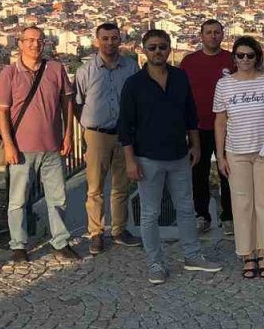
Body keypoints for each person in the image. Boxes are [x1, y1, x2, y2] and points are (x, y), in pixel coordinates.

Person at [119, 29, 224, 285]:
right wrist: (130, 160)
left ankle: (192, 255)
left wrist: (195, 145)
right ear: (144, 50)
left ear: (169, 49)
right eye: (153, 47)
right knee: (150, 213)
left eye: (162, 47)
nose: (158, 51)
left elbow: (190, 114)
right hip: (147, 157)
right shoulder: (134, 84)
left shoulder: (180, 77)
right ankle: (155, 262)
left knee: (186, 209)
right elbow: (125, 125)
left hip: (179, 155)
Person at [0, 25, 78, 263]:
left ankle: (60, 241)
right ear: (20, 43)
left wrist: (68, 135)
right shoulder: (9, 73)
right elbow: (2, 112)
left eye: (40, 40)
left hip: (52, 146)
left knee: (58, 197)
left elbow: (67, 104)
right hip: (21, 148)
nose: (35, 44)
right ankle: (18, 245)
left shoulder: (55, 69)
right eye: (30, 40)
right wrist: (9, 145)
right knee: (18, 200)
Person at [213, 36, 264, 279]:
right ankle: (247, 253)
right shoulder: (224, 85)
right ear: (234, 58)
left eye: (250, 55)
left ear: (257, 57)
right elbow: (220, 122)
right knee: (242, 205)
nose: (245, 59)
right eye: (240, 55)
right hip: (236, 151)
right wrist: (220, 156)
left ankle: (263, 252)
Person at [74, 21, 141, 255]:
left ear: (120, 40)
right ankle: (96, 233)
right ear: (97, 41)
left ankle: (119, 230)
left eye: (114, 38)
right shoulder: (85, 71)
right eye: (105, 38)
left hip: (124, 133)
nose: (110, 42)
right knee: (95, 187)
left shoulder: (131, 67)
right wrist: (87, 127)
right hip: (97, 134)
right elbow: (78, 103)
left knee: (121, 185)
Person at [179, 19, 235, 235]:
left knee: (227, 173)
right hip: (198, 127)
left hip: (228, 127)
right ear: (201, 36)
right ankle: (201, 215)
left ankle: (228, 216)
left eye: (217, 32)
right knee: (198, 173)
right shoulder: (189, 61)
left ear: (222, 35)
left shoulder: (232, 59)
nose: (213, 36)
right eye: (209, 32)